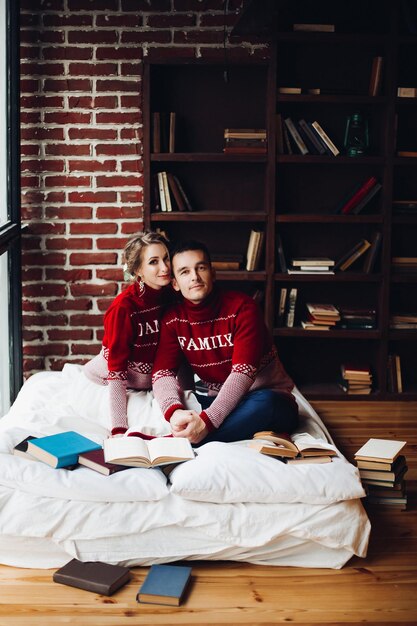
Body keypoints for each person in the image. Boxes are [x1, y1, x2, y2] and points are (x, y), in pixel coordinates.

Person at [152, 240, 299, 445]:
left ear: (212, 273)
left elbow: (243, 373)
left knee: (266, 403)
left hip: (266, 399)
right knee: (180, 405)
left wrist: (206, 422)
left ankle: (182, 442)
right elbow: (162, 374)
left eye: (201, 268)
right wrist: (174, 412)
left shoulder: (242, 308)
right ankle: (192, 434)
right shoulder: (173, 320)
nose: (195, 277)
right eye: (184, 272)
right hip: (222, 402)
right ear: (175, 283)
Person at [83, 231, 173, 436]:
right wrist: (118, 428)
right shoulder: (124, 308)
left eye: (166, 258)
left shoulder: (171, 297)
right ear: (138, 270)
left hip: (150, 383)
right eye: (154, 262)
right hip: (109, 381)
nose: (165, 267)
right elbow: (116, 371)